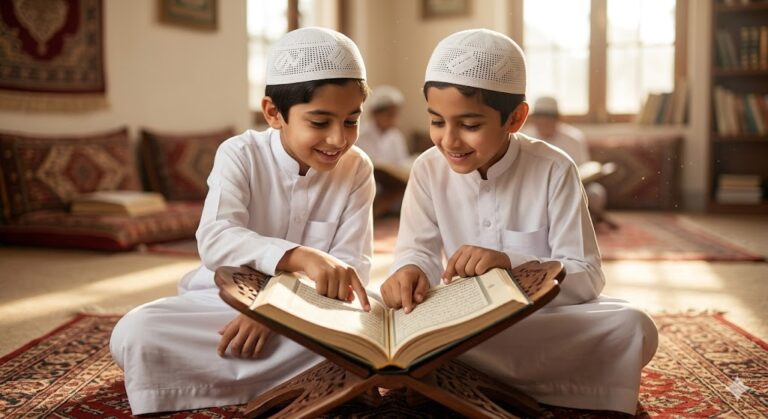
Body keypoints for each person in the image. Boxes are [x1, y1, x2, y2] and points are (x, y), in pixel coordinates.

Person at [379, 29, 657, 414]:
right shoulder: (428, 169)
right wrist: (409, 269)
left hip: (536, 322)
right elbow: (418, 250)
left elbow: (587, 277)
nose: (449, 141)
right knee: (379, 311)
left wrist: (510, 264)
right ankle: (478, 371)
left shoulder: (554, 168)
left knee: (632, 325)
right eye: (437, 122)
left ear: (516, 118)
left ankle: (450, 373)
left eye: (470, 125)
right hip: (459, 324)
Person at [110, 27, 374, 415]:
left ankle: (308, 371)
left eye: (351, 121)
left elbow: (353, 269)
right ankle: (322, 378)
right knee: (136, 332)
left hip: (315, 316)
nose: (338, 139)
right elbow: (216, 239)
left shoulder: (357, 168)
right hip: (225, 304)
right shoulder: (240, 153)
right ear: (273, 113)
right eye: (320, 122)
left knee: (372, 329)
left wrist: (278, 312)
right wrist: (289, 268)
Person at [525, 96, 609, 224]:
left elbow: (584, 167)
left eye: (549, 118)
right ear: (534, 119)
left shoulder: (574, 138)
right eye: (541, 118)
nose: (545, 122)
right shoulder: (523, 138)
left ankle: (579, 225)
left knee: (596, 193)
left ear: (558, 119)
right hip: (535, 190)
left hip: (571, 189)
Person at [356, 85, 412, 217]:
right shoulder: (360, 134)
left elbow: (400, 163)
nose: (394, 118)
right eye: (390, 114)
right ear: (375, 113)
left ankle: (376, 214)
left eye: (395, 114)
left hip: (390, 185)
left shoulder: (396, 136)